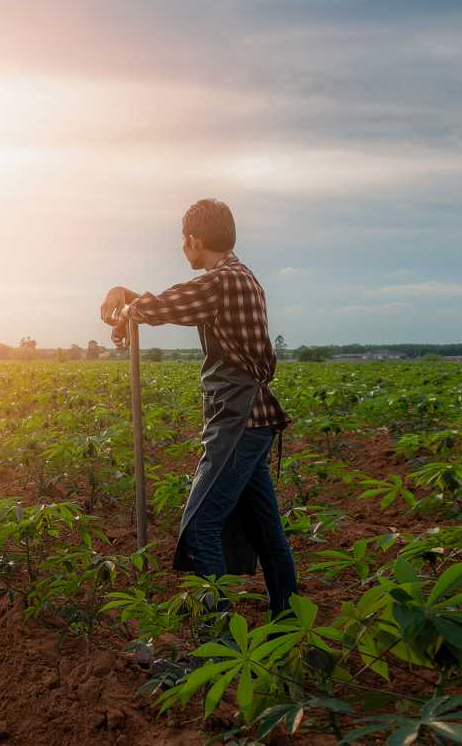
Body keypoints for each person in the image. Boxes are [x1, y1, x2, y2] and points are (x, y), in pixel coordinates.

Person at [99, 198, 296, 619]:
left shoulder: (222, 281)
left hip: (240, 424)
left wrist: (128, 306)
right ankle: (288, 621)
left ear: (193, 240)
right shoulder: (237, 278)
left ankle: (219, 635)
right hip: (252, 421)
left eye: (183, 242)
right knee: (267, 532)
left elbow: (165, 305)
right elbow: (176, 301)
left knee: (200, 527)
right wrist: (130, 300)